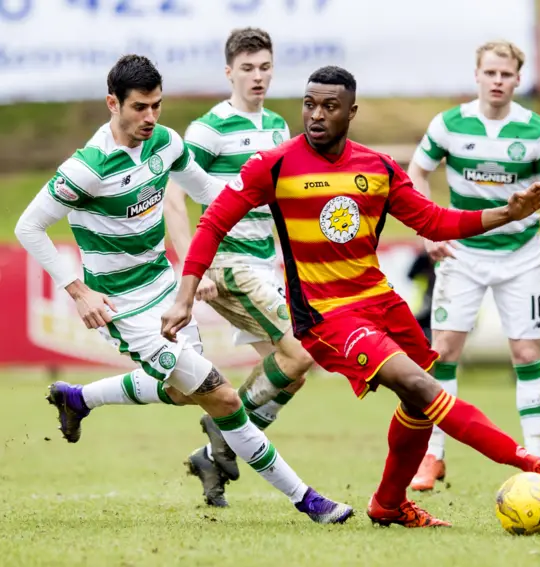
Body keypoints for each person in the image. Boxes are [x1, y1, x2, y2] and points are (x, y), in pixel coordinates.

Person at [161, 65, 540, 529]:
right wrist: (185, 295)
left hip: (379, 301)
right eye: (309, 104)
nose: (315, 115)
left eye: (329, 107)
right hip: (326, 314)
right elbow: (213, 221)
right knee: (421, 386)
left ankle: (390, 504)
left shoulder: (376, 168)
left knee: (419, 401)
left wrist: (506, 213)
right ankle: (531, 464)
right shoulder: (273, 165)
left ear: (351, 112)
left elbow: (435, 222)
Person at [14, 54, 353, 525]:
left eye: (156, 106)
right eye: (139, 108)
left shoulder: (165, 143)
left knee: (178, 392)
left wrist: (281, 199)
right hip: (123, 307)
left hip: (166, 289)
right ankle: (308, 500)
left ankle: (79, 399)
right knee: (223, 397)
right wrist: (79, 292)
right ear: (113, 103)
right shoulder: (86, 168)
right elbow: (28, 227)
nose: (150, 118)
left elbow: (209, 190)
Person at [406, 41, 540, 492]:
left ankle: (536, 459)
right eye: (491, 73)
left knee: (526, 354)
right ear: (477, 75)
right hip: (463, 254)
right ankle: (433, 457)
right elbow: (416, 174)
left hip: (520, 256)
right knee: (441, 351)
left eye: (506, 75)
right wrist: (428, 229)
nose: (498, 81)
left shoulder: (537, 131)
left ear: (518, 80)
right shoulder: (449, 124)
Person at [164, 27, 313, 507]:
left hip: (262, 263)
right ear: (229, 71)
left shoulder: (275, 128)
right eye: (247, 68)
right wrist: (196, 268)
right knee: (301, 351)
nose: (257, 77)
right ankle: (223, 429)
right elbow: (173, 198)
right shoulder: (209, 129)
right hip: (226, 261)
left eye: (265, 68)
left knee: (293, 370)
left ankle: (215, 449)